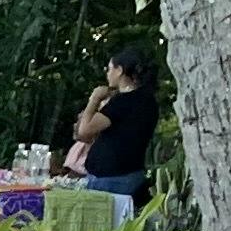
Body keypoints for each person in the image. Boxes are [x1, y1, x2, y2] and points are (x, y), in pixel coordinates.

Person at [65, 43, 160, 208]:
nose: (108, 74)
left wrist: (94, 99)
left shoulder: (122, 102)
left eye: (110, 69)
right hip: (132, 172)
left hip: (111, 179)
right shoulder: (148, 100)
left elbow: (84, 131)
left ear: (120, 70)